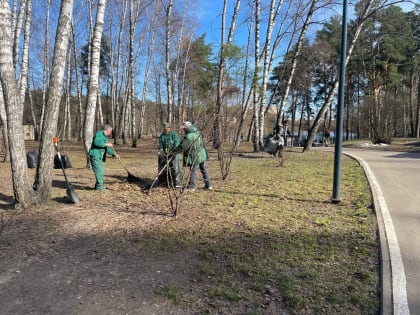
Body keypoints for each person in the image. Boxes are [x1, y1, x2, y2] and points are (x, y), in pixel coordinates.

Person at [180, 121, 212, 192]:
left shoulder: (188, 136)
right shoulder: (197, 132)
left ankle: (192, 187)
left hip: (196, 156)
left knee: (193, 171)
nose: (183, 130)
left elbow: (183, 146)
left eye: (184, 128)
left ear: (187, 128)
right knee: (203, 169)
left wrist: (174, 151)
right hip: (202, 154)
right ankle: (208, 185)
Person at [89, 124, 120, 190]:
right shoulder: (99, 134)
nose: (111, 132)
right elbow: (96, 142)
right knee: (99, 171)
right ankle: (100, 187)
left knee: (101, 171)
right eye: (110, 131)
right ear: (108, 130)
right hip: (95, 155)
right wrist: (106, 144)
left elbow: (107, 148)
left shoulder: (105, 137)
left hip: (99, 157)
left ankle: (98, 185)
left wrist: (114, 154)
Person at [157, 122, 182, 187]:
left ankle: (177, 182)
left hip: (174, 153)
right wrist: (161, 152)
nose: (166, 130)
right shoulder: (162, 136)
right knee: (161, 165)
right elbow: (161, 146)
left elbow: (177, 144)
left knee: (175, 167)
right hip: (165, 154)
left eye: (168, 128)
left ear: (170, 128)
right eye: (165, 129)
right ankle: (162, 181)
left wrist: (173, 151)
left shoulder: (174, 134)